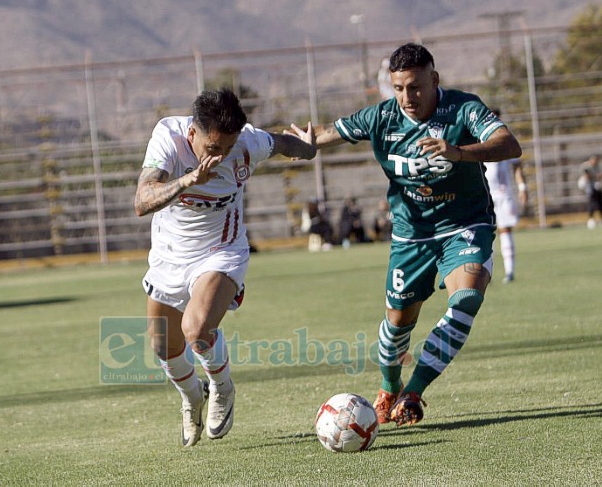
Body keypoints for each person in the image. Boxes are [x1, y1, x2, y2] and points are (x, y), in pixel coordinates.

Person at [289, 43, 521, 427]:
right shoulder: (381, 117)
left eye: (414, 87)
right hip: (411, 235)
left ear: (434, 79)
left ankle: (413, 392)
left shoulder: (463, 108)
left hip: (465, 225)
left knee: (466, 297)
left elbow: (509, 144)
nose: (406, 97)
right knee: (397, 324)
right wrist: (301, 142)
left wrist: (458, 152)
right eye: (398, 88)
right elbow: (330, 133)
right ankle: (388, 388)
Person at [134, 89, 316, 447]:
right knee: (162, 346)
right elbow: (142, 200)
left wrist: (308, 148)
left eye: (227, 149)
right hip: (170, 254)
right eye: (212, 149)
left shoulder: (246, 142)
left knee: (197, 329)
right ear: (192, 135)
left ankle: (222, 387)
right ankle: (192, 397)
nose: (221, 157)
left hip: (221, 250)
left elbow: (281, 143)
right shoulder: (168, 138)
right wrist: (186, 181)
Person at [484, 157, 528, 283]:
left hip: (503, 194)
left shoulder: (502, 139)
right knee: (485, 233)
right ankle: (487, 274)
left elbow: (517, 164)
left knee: (505, 230)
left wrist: (522, 187)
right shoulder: (475, 139)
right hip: (485, 195)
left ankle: (509, 272)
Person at [579, 155, 602, 229]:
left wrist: (599, 176)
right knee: (592, 203)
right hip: (589, 185)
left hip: (596, 185)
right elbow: (587, 176)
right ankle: (590, 219)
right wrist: (597, 176)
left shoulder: (598, 166)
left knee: (600, 202)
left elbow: (600, 177)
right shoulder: (586, 166)